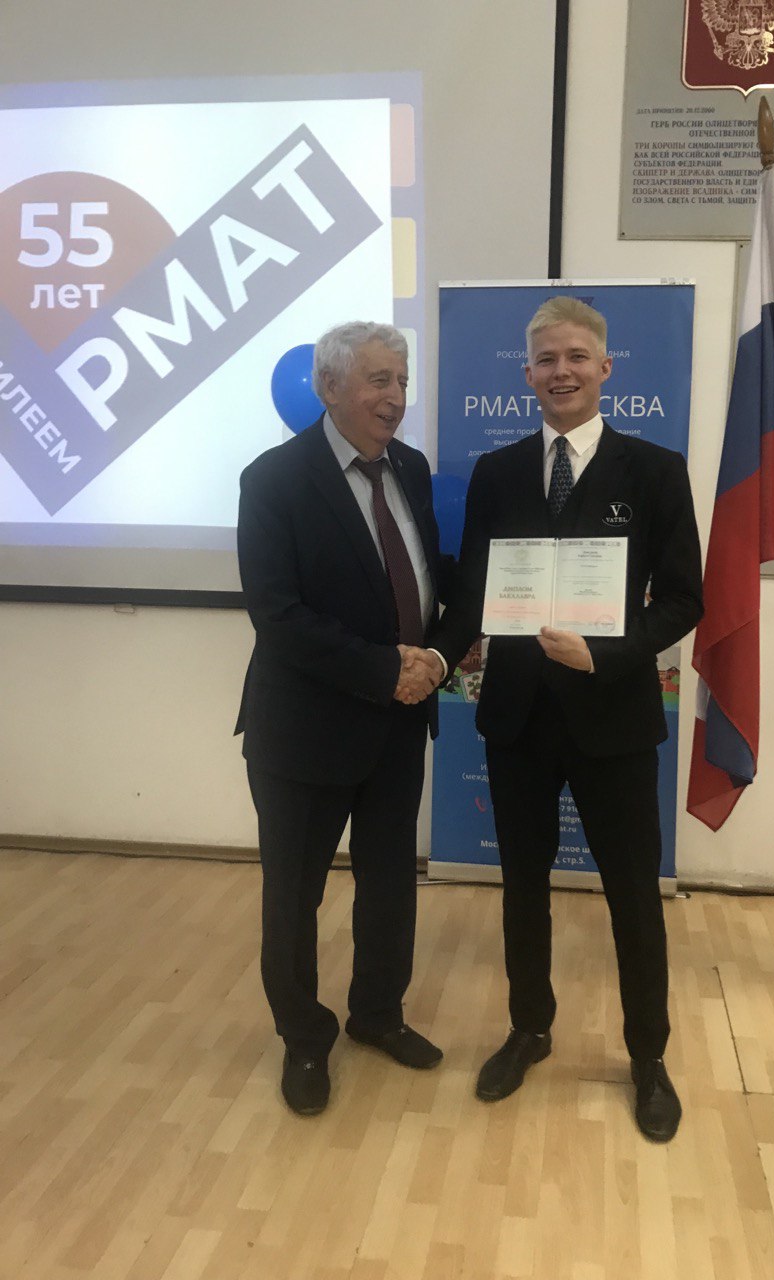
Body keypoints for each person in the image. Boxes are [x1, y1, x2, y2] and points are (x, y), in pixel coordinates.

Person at [431, 297, 703, 1142]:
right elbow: (473, 592)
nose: (562, 372)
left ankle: (648, 1056)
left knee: (633, 894)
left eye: (577, 357)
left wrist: (608, 654)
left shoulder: (654, 469)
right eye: (547, 360)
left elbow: (685, 599)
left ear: (606, 368)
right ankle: (529, 1028)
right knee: (522, 886)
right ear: (527, 374)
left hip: (613, 717)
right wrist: (435, 656)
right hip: (518, 717)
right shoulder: (498, 472)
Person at [236, 321, 446, 1116]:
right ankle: (304, 1038)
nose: (395, 397)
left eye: (401, 380)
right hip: (305, 733)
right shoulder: (274, 480)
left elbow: (428, 576)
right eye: (378, 380)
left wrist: (437, 657)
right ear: (329, 387)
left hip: (398, 724)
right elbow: (278, 615)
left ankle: (378, 1015)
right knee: (294, 898)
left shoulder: (411, 470)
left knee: (390, 884)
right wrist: (387, 670)